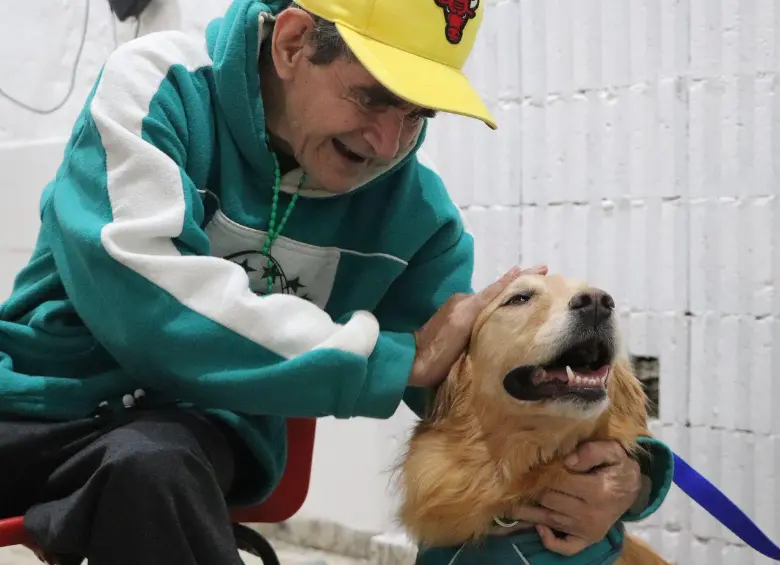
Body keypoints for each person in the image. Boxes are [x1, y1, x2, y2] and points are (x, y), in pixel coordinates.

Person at [0, 0, 673, 563]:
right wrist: (396, 358)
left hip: (182, 441)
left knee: (152, 464)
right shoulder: (155, 87)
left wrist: (633, 471)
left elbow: (485, 380)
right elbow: (145, 305)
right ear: (294, 42)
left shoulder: (419, 217)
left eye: (417, 115)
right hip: (32, 406)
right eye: (372, 96)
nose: (388, 140)